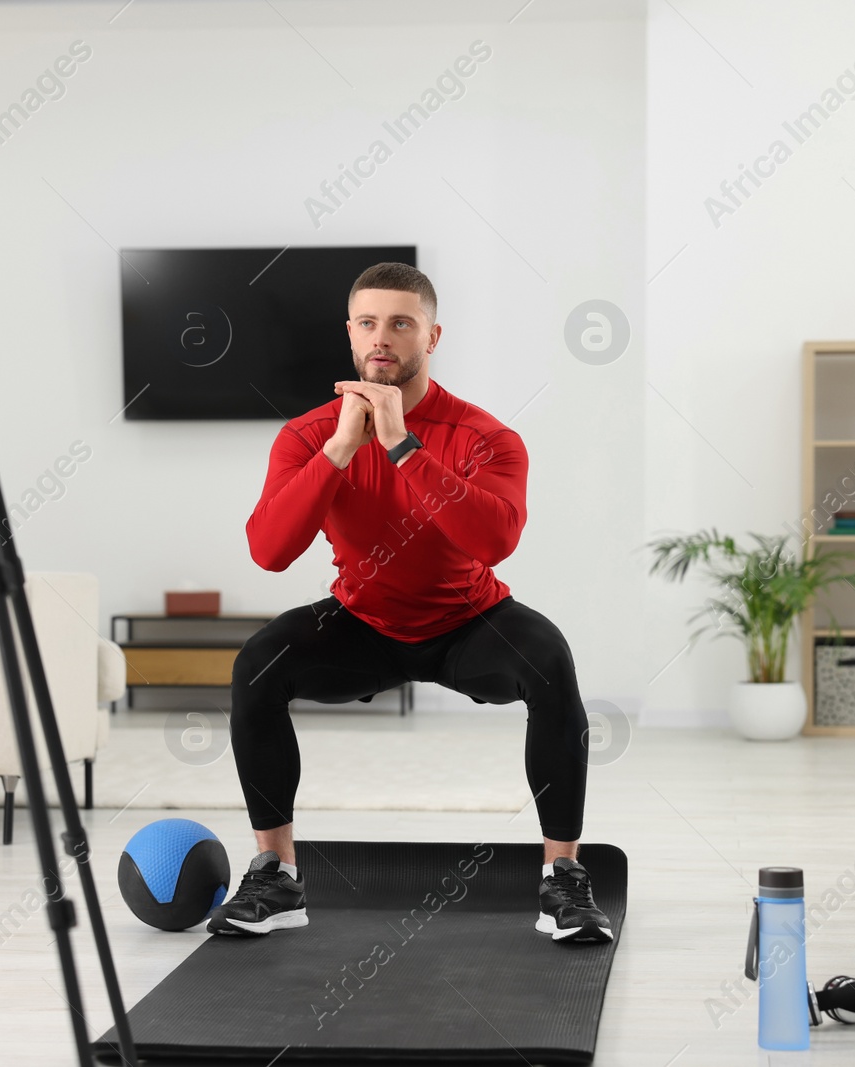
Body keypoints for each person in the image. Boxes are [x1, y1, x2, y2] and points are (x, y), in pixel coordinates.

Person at [207, 262, 611, 944]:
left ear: (432, 334)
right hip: (364, 622)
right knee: (257, 663)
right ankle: (276, 873)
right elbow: (269, 550)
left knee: (548, 659)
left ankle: (562, 878)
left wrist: (401, 446)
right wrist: (341, 448)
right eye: (367, 322)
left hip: (468, 622)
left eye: (401, 322)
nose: (382, 337)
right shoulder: (309, 436)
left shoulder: (484, 437)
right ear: (350, 334)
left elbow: (494, 540)